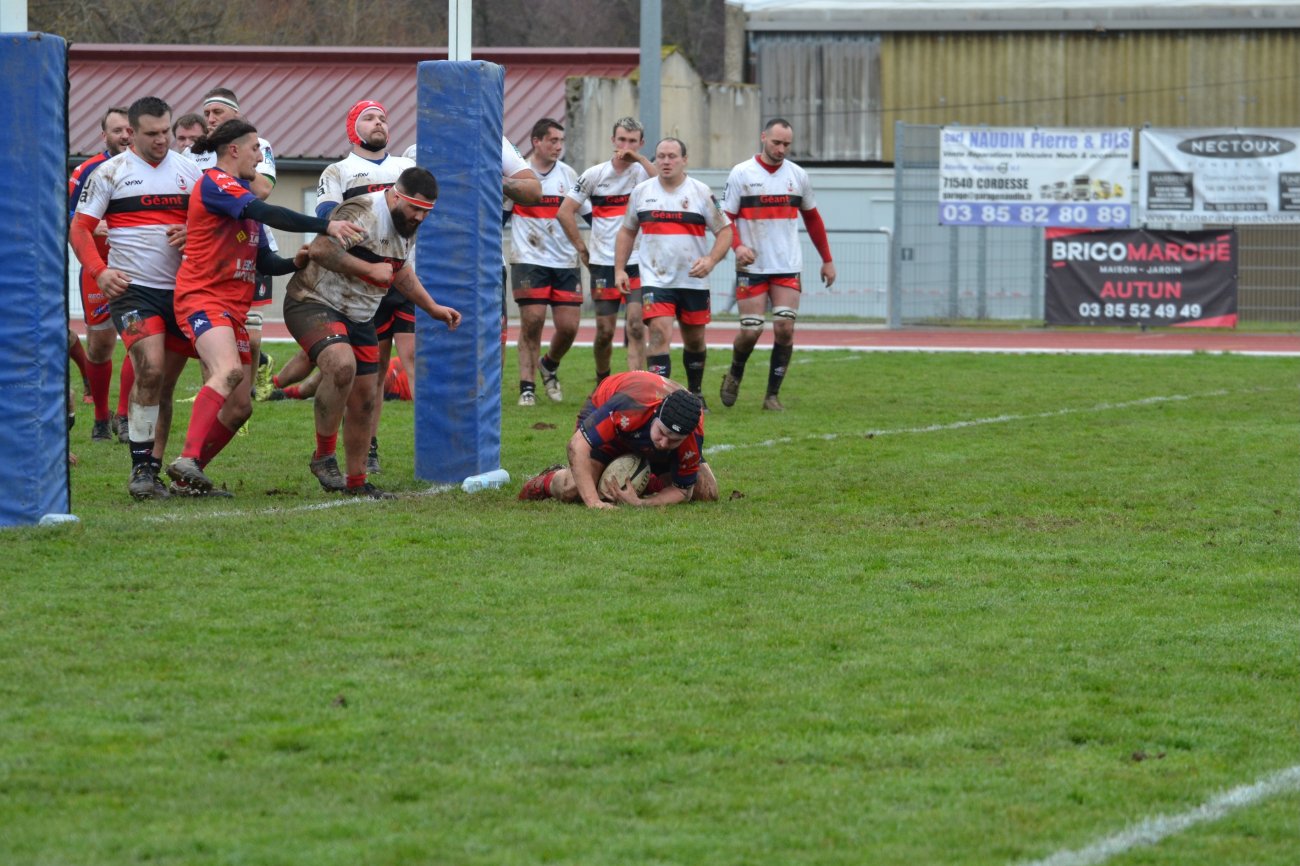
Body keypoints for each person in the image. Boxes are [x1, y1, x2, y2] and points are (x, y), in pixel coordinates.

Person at [165, 119, 364, 496]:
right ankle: (187, 458)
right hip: (202, 298)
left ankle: (187, 479)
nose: (261, 157)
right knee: (226, 372)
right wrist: (327, 227)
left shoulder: (242, 199)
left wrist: (295, 262)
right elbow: (272, 214)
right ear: (234, 150)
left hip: (232, 308)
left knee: (240, 408)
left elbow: (265, 262)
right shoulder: (217, 183)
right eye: (256, 148)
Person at [284, 167, 461, 499]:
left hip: (359, 314)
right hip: (314, 300)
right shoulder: (363, 211)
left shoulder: (407, 225)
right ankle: (323, 456)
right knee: (341, 365)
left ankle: (357, 481)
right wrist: (368, 269)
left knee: (365, 400)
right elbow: (320, 250)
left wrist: (433, 308)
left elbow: (399, 271)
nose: (420, 217)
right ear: (395, 195)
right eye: (415, 208)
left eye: (427, 211)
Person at [70, 95, 202, 500]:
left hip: (182, 290)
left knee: (165, 385)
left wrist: (194, 233)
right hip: (134, 292)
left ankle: (159, 467)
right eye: (152, 133)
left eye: (165, 132)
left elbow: (213, 226)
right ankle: (140, 469)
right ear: (132, 132)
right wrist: (100, 271)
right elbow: (79, 229)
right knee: (150, 368)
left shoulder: (190, 171)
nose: (162, 140)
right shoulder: (111, 173)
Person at [313, 99, 416, 475]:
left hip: (401, 274)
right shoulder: (338, 171)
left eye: (383, 118)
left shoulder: (405, 168)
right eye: (369, 118)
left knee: (415, 356)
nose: (379, 123)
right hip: (361, 282)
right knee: (372, 370)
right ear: (352, 128)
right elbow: (327, 215)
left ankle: (433, 442)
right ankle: (368, 445)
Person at [720, 118, 836, 411]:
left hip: (786, 265)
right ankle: (735, 373)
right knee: (751, 331)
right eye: (776, 142)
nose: (781, 149)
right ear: (763, 138)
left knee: (784, 328)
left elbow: (813, 219)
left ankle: (771, 396)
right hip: (752, 267)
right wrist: (738, 246)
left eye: (786, 144)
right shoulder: (741, 173)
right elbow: (726, 218)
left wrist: (827, 259)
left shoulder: (798, 175)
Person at [614, 138, 732, 404]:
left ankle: (696, 393)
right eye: (661, 156)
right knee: (658, 333)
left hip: (693, 280)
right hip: (656, 280)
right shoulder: (642, 192)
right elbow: (627, 231)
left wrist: (711, 260)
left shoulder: (701, 192)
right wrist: (619, 269)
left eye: (672, 156)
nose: (666, 162)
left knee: (695, 341)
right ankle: (660, 399)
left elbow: (725, 231)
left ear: (684, 160)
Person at [188, 87, 279, 408]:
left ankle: (252, 379)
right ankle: (218, 398)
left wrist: (231, 164)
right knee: (212, 332)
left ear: (236, 115)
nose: (210, 118)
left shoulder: (259, 146)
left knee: (250, 335)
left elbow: (263, 191)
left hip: (251, 243)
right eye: (207, 113)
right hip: (212, 252)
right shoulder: (192, 154)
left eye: (218, 112)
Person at [518, 371, 718, 508]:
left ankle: (641, 484)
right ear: (655, 414)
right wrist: (594, 503)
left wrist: (641, 504)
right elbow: (576, 446)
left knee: (706, 492)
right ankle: (547, 480)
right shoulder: (630, 406)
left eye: (674, 440)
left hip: (641, 431)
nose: (664, 443)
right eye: (662, 433)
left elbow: (683, 491)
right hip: (609, 416)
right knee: (573, 489)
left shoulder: (692, 432)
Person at [557, 116, 656, 383]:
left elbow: (666, 184)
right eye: (622, 140)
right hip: (603, 262)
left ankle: (636, 386)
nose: (626, 146)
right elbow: (565, 211)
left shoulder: (645, 173)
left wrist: (640, 159)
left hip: (638, 261)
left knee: (636, 326)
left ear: (641, 143)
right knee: (604, 332)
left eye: (632, 141)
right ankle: (603, 382)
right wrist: (582, 248)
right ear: (613, 140)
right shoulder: (594, 174)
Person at [509, 118, 586, 406]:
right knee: (533, 320)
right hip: (528, 259)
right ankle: (527, 387)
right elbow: (500, 216)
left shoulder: (568, 175)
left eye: (561, 141)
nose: (558, 146)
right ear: (536, 142)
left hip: (565, 261)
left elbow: (588, 213)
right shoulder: (519, 176)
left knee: (569, 327)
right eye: (553, 140)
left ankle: (549, 364)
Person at [68, 105, 132, 443]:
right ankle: (100, 418)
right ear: (104, 134)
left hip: (139, 269)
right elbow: (66, 217)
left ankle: (124, 416)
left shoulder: (149, 168)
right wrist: (91, 228)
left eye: (129, 130)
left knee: (141, 340)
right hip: (98, 269)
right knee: (100, 345)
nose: (125, 136)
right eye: (117, 130)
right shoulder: (87, 170)